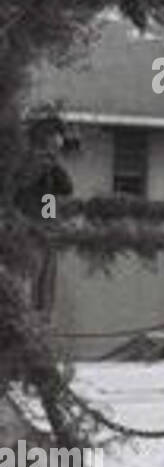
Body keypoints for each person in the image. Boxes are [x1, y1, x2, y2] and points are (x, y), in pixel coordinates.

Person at [15, 116, 74, 319]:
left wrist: (54, 164)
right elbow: (23, 187)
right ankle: (29, 320)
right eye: (56, 139)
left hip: (47, 230)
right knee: (31, 279)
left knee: (46, 284)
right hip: (29, 231)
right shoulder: (30, 162)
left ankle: (43, 318)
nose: (58, 145)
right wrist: (44, 163)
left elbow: (65, 188)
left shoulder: (52, 167)